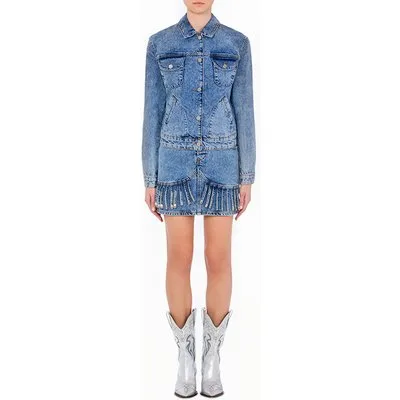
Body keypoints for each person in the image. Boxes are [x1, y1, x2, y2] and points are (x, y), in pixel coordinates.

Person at [141, 0, 256, 397]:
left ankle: (212, 359)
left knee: (218, 258)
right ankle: (185, 358)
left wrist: (247, 175)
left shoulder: (237, 43)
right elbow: (152, 112)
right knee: (179, 258)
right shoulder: (159, 43)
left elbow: (244, 110)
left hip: (223, 163)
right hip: (173, 161)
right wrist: (150, 176)